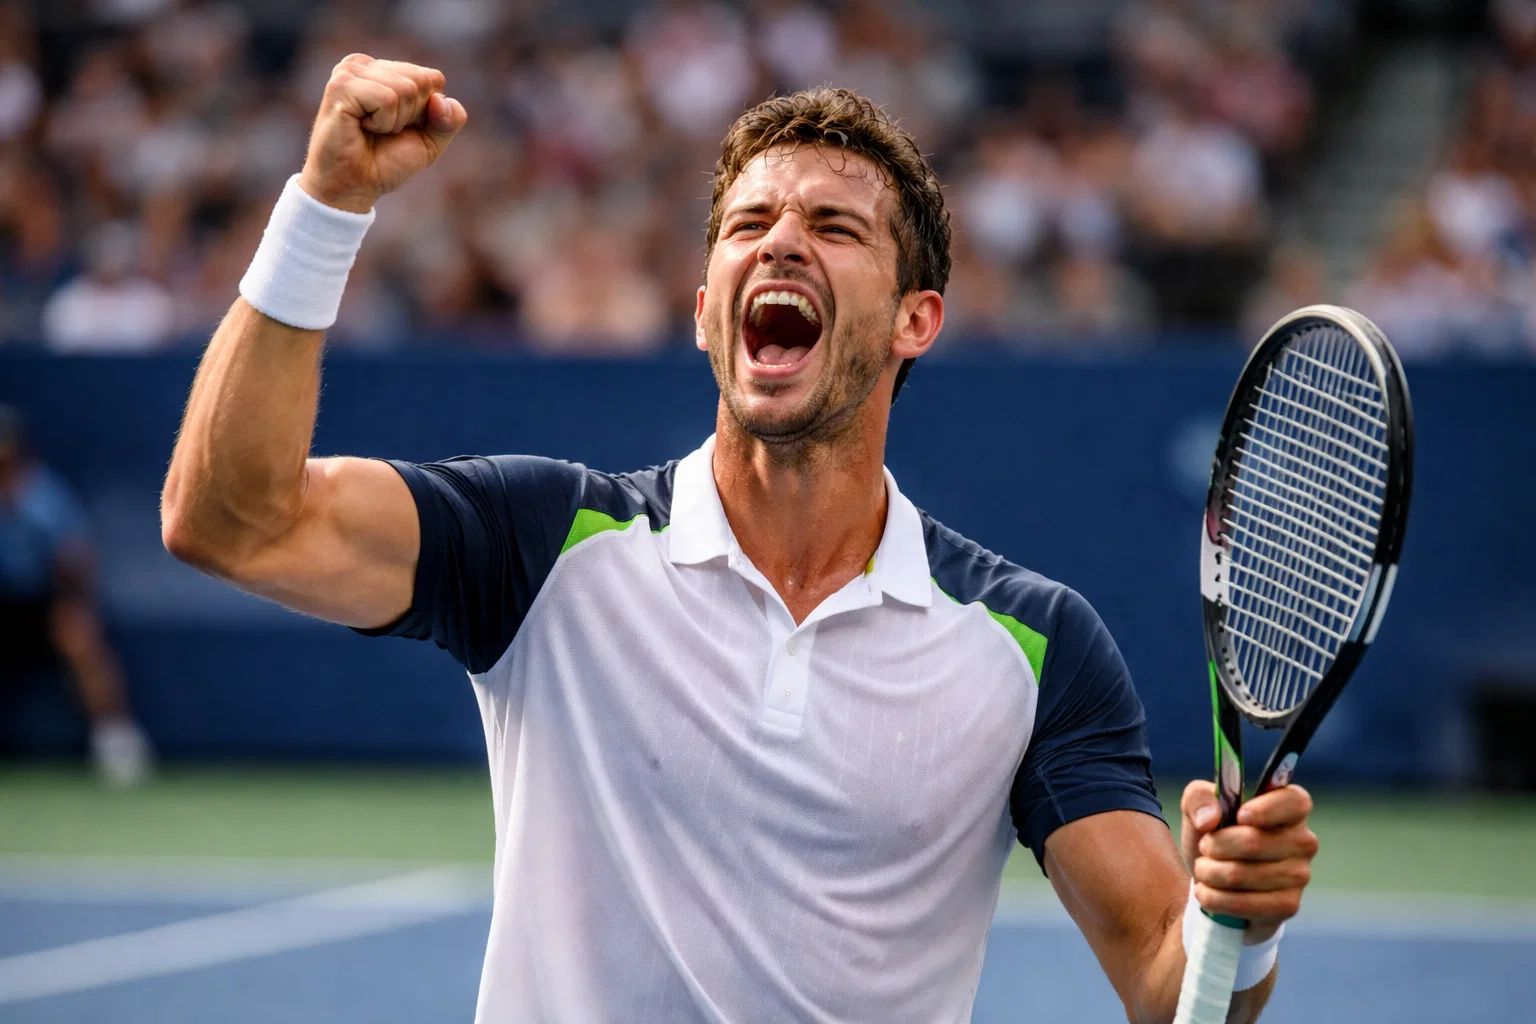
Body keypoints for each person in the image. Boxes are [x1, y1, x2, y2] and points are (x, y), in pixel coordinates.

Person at [161, 57, 1319, 1023]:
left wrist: (1236, 926)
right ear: (706, 303)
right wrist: (324, 206)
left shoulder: (1035, 645)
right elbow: (229, 520)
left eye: (833, 226)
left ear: (918, 319)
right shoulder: (542, 543)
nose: (780, 243)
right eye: (748, 223)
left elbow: (1172, 985)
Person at [0, 405, 152, 786]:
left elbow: (74, 561)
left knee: (78, 635)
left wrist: (68, 604)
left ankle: (116, 742)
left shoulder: (42, 497)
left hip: (44, 602)